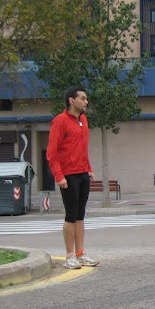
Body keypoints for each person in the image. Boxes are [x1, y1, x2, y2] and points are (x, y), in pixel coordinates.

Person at [46, 86, 99, 270]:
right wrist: (59, 176)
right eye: (83, 99)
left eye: (86, 99)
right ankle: (69, 256)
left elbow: (83, 149)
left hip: (83, 173)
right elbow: (51, 153)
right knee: (70, 216)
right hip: (68, 176)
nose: (86, 102)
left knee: (80, 215)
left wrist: (89, 169)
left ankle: (80, 254)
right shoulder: (59, 121)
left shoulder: (83, 120)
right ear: (71, 100)